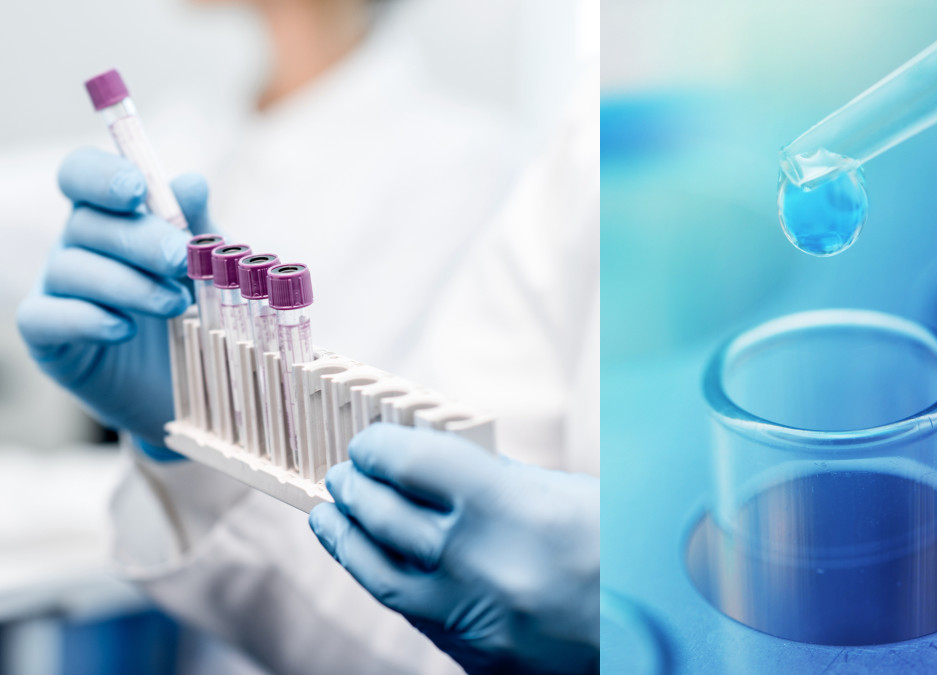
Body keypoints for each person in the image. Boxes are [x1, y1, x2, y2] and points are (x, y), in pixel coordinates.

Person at [11, 0, 599, 672]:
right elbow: (399, 607)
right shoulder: (205, 128)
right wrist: (184, 431)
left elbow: (358, 485)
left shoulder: (456, 164)